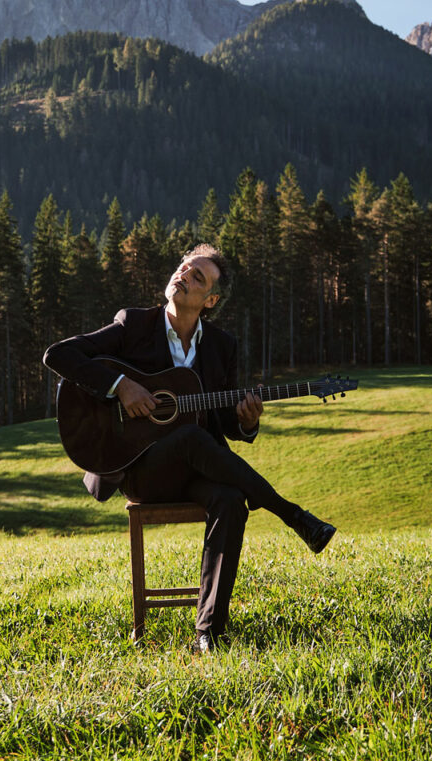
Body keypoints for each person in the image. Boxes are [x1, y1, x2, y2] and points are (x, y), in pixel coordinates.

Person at [43, 243, 335, 652]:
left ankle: (208, 635)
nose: (183, 275)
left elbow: (223, 424)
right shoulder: (133, 325)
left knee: (231, 498)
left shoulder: (221, 346)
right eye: (183, 268)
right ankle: (292, 515)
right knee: (192, 440)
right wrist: (120, 386)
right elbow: (58, 354)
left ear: (210, 300)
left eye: (198, 276)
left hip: (195, 469)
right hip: (140, 469)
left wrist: (246, 423)